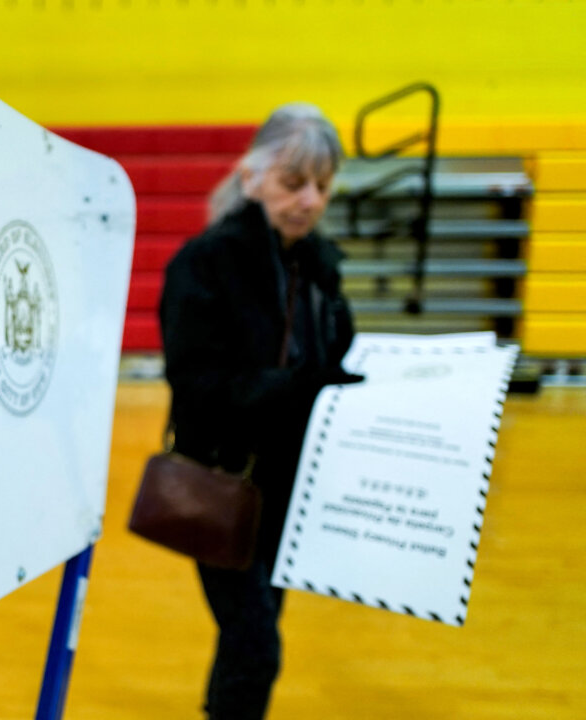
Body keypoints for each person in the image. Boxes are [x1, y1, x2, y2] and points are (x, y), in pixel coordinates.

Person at [158, 103, 363, 719]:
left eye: (322, 187)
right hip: (219, 484)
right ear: (252, 177)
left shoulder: (315, 266)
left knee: (252, 633)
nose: (310, 201)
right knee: (256, 645)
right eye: (293, 182)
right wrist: (298, 386)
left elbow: (332, 357)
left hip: (287, 488)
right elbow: (200, 386)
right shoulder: (205, 263)